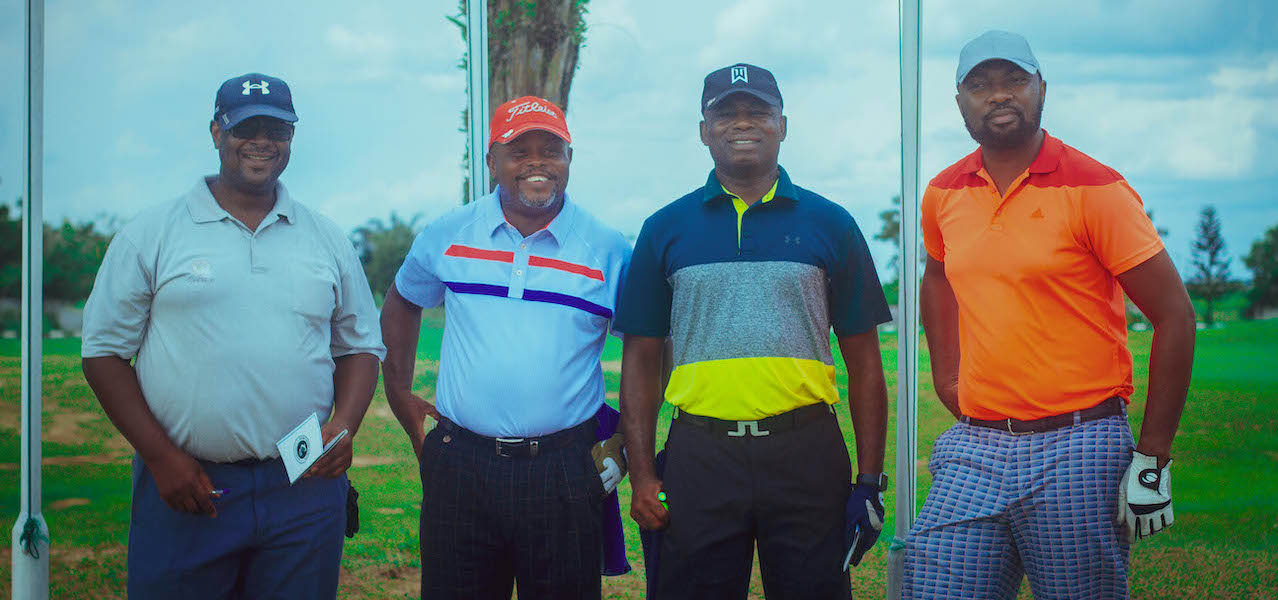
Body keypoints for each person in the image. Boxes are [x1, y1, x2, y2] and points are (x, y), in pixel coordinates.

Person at [904, 31, 1197, 599]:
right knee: (934, 582)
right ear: (960, 101)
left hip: (1080, 441)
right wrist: (948, 380)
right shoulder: (943, 191)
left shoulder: (1097, 188)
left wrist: (1154, 456)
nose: (999, 94)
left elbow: (1175, 315)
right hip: (976, 444)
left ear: (1042, 88)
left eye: (1015, 80)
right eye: (980, 85)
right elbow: (937, 277)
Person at [80, 73, 385, 599]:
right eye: (246, 128)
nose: (262, 141)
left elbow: (358, 344)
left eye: (277, 130)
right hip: (188, 483)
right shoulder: (152, 233)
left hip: (303, 485)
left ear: (292, 138)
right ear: (217, 132)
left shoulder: (326, 237)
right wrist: (160, 458)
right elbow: (103, 352)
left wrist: (344, 426)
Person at [616, 63, 893, 599]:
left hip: (806, 451)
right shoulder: (664, 228)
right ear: (704, 131)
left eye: (758, 112)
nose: (742, 123)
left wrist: (868, 481)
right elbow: (641, 362)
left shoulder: (831, 222)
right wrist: (644, 475)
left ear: (782, 125)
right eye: (726, 114)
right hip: (700, 453)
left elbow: (864, 362)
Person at [379, 95, 632, 600]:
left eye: (551, 150)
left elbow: (649, 348)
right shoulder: (449, 233)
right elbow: (403, 300)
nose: (537, 163)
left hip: (566, 466)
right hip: (460, 462)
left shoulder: (608, 248)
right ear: (492, 161)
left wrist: (626, 438)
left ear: (570, 159)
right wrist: (400, 394)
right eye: (519, 151)